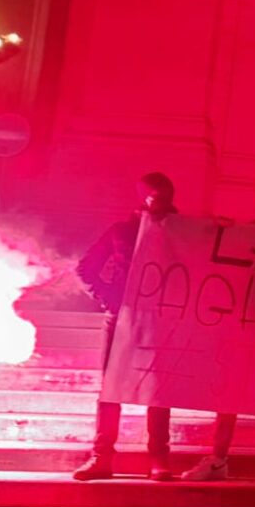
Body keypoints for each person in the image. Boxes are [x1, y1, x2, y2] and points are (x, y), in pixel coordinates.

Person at [180, 170, 255, 485]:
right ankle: (219, 457)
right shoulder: (252, 231)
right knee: (230, 391)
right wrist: (222, 233)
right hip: (248, 323)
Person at [71, 171, 177, 482]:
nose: (155, 200)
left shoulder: (182, 234)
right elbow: (85, 268)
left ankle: (158, 456)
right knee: (111, 387)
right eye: (151, 194)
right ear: (142, 196)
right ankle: (103, 456)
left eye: (161, 195)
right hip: (122, 317)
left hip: (159, 319)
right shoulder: (123, 231)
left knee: (158, 388)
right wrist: (110, 298)